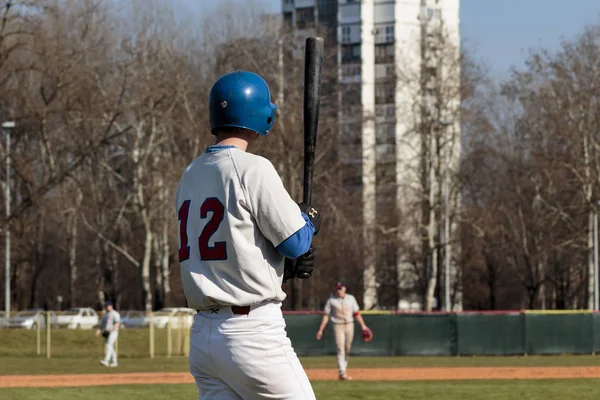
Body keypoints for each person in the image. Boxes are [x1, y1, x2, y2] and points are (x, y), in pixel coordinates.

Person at [175, 70, 321, 400]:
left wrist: (279, 268)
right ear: (260, 114)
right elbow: (296, 241)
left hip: (203, 337)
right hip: (251, 333)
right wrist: (309, 220)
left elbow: (236, 246)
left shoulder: (190, 174)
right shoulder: (252, 168)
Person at [315, 281, 371, 380]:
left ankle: (343, 369)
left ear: (344, 289)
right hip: (338, 325)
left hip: (349, 324)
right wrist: (320, 330)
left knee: (347, 348)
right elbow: (326, 315)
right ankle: (342, 372)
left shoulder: (351, 299)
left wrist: (363, 326)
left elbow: (356, 313)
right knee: (340, 348)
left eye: (340, 288)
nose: (339, 290)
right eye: (337, 289)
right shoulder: (331, 300)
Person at [96, 301, 120, 367]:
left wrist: (111, 330)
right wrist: (99, 330)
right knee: (110, 347)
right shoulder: (106, 315)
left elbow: (117, 323)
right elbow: (102, 324)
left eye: (108, 306)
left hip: (113, 332)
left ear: (111, 306)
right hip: (107, 332)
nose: (106, 307)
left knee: (109, 345)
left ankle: (106, 361)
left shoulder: (115, 313)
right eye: (106, 306)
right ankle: (115, 362)